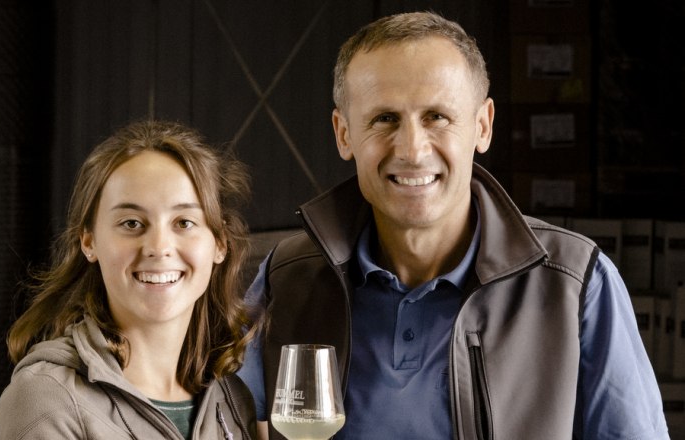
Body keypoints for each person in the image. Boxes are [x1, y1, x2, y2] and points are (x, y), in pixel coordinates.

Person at [237, 11, 669, 440]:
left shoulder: (576, 283)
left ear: (482, 126)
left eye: (437, 117)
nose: (411, 149)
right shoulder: (287, 278)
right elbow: (216, 420)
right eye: (384, 118)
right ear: (344, 133)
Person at [0, 120, 258, 439]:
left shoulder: (232, 400)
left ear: (220, 243)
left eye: (184, 222)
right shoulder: (46, 399)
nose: (159, 247)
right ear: (89, 242)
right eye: (131, 223)